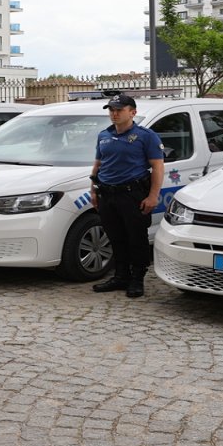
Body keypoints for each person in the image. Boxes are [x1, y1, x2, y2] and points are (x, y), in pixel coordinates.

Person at [89, 95, 165, 298]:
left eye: (119, 110)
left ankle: (137, 279)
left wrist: (153, 196)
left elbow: (157, 167)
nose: (114, 113)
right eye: (111, 110)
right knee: (115, 237)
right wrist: (93, 190)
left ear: (133, 112)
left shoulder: (145, 136)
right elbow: (98, 165)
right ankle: (120, 276)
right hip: (107, 193)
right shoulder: (103, 135)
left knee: (136, 238)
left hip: (132, 195)